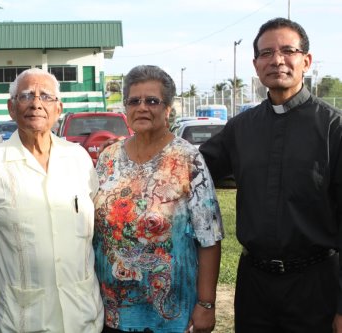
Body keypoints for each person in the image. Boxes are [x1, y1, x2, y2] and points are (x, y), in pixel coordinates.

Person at [200, 17, 342, 333]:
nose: (276, 60)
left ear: (306, 61)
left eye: (287, 51)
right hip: (254, 286)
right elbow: (191, 168)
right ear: (255, 64)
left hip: (316, 285)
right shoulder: (240, 128)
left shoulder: (334, 129)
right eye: (266, 53)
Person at [0, 68, 104, 333]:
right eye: (26, 95)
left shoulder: (78, 159)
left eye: (46, 96)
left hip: (84, 315)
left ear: (58, 108)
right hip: (24, 317)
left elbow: (92, 223)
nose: (36, 103)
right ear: (11, 107)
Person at [94, 65, 223, 333]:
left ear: (167, 109)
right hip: (110, 311)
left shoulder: (188, 159)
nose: (142, 107)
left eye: (152, 100)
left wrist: (206, 304)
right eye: (134, 100)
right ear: (126, 108)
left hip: (171, 315)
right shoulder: (108, 158)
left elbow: (209, 237)